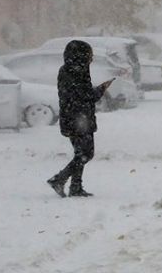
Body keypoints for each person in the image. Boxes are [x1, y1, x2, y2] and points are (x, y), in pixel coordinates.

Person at [47, 40, 113, 198]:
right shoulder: (76, 71)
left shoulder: (71, 69)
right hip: (78, 119)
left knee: (80, 153)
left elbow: (80, 95)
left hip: (75, 118)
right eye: (89, 55)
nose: (92, 58)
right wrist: (101, 89)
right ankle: (59, 179)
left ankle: (75, 187)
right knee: (86, 153)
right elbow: (85, 96)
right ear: (81, 55)